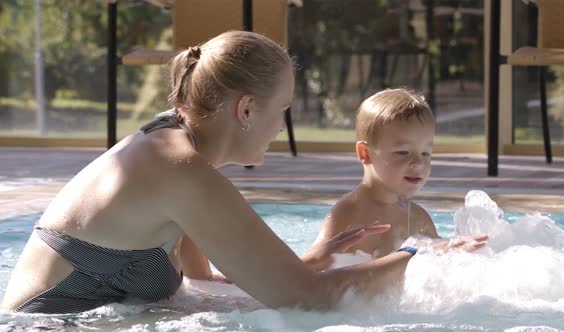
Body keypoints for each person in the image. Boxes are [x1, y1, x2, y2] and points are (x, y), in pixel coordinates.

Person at [1, 31, 416, 314]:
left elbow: (206, 281)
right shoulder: (181, 171)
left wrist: (306, 262)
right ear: (248, 109)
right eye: (282, 111)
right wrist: (419, 258)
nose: (280, 127)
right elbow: (306, 300)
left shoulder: (173, 144)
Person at [310, 89, 487, 258]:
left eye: (426, 153)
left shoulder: (418, 218)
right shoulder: (346, 214)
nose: (418, 163)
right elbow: (310, 271)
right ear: (365, 153)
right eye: (403, 152)